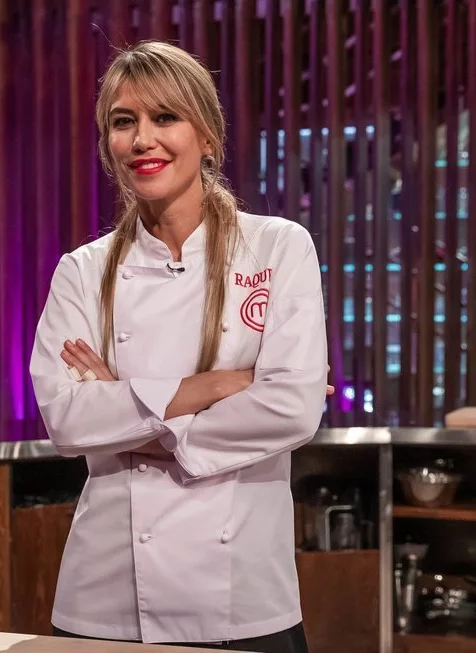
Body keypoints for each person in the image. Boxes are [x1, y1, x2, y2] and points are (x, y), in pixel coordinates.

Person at [28, 41, 329, 653]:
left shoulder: (277, 247)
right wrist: (217, 386)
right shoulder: (82, 271)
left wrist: (124, 411)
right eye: (124, 122)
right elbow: (67, 420)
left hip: (242, 595)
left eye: (165, 117)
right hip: (107, 595)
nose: (143, 139)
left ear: (208, 137)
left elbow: (293, 408)